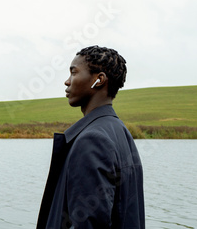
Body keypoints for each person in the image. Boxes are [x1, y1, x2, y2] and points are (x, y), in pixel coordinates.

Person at [37, 45, 145, 228]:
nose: (67, 81)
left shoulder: (92, 140)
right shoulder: (120, 132)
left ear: (99, 80)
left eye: (74, 73)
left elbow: (89, 223)